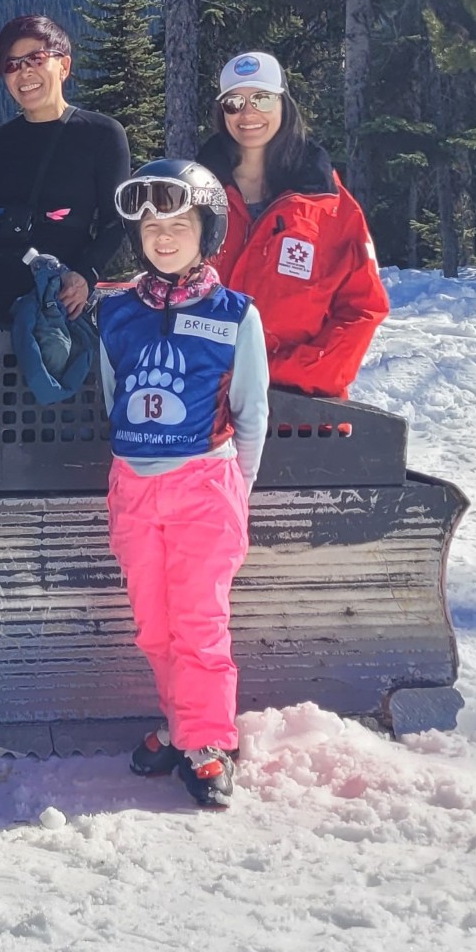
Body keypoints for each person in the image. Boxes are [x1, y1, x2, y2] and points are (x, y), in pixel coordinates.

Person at [100, 160, 269, 809]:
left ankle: (208, 743)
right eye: (150, 225)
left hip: (205, 480)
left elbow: (252, 411)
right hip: (135, 487)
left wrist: (234, 489)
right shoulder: (116, 313)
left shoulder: (235, 315)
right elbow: (113, 397)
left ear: (207, 229)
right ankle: (180, 723)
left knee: (199, 623)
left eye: (177, 224)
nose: (162, 236)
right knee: (154, 625)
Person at [197, 51, 389, 399]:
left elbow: (363, 306)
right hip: (207, 407)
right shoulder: (196, 194)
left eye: (262, 99)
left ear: (284, 104)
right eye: (234, 103)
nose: (248, 113)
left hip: (303, 412)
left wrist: (286, 372)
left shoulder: (329, 203)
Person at [0, 16, 131, 325]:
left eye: (36, 59)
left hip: (59, 300)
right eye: (12, 65)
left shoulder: (102, 134)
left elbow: (115, 221)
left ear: (64, 66)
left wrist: (85, 274)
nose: (24, 72)